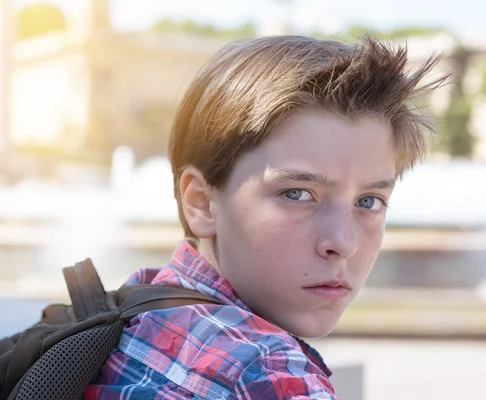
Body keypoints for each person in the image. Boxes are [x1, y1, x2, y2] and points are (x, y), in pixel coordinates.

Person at [84, 35, 444, 399]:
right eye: (298, 194)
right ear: (201, 202)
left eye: (369, 201)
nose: (343, 243)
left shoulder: (131, 312)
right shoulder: (267, 376)